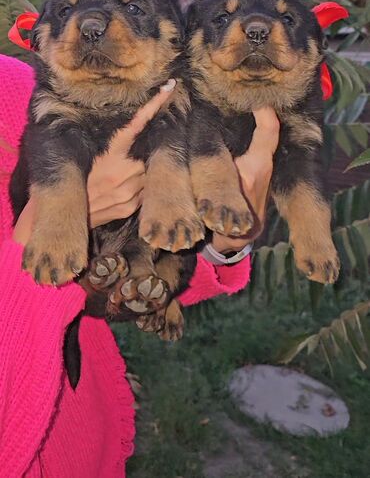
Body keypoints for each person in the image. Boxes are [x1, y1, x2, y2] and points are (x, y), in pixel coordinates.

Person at [0, 53, 279, 477]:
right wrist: (61, 220)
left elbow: (131, 257)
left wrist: (223, 239)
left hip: (78, 434)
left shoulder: (16, 86)